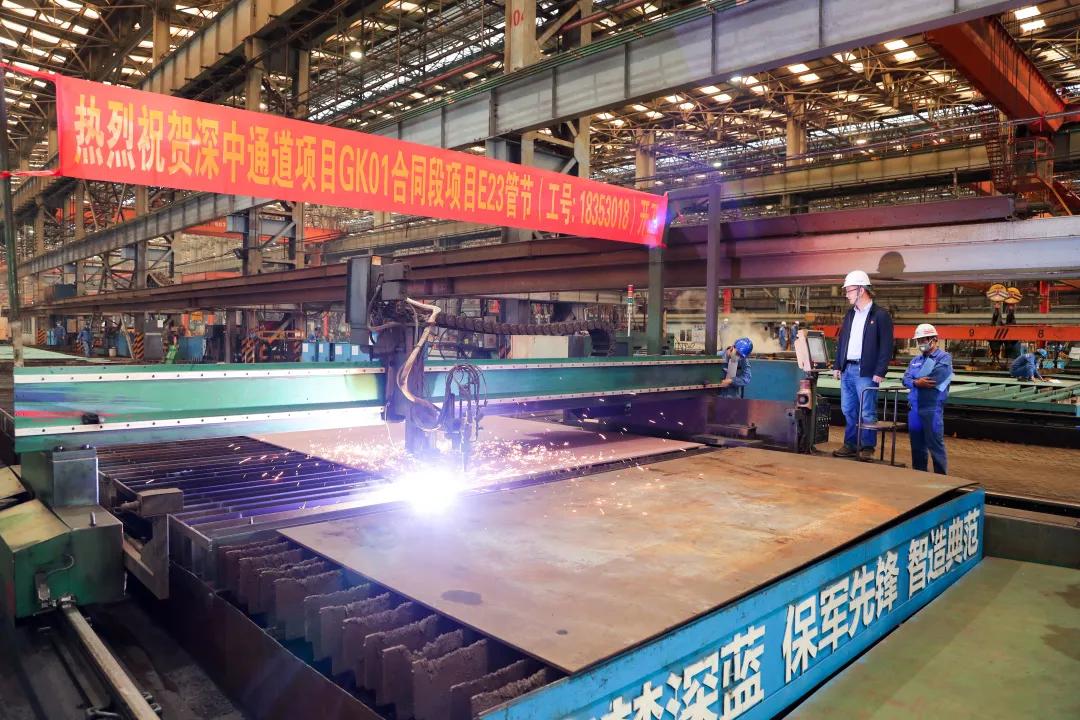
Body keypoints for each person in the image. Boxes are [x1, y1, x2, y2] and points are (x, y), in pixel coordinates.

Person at [832, 270, 894, 459]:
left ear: (861, 290)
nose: (846, 294)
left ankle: (867, 447)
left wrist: (880, 370)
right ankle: (851, 444)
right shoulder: (850, 314)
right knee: (848, 409)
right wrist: (837, 365)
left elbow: (886, 345)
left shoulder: (880, 315)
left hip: (866, 371)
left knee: (867, 411)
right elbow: (843, 341)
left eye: (849, 290)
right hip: (848, 369)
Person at [902, 324, 953, 475]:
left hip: (932, 409)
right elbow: (905, 379)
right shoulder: (915, 360)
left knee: (935, 446)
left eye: (923, 340)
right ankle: (919, 477)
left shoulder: (944, 358)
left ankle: (941, 479)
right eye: (919, 340)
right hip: (914, 408)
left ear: (934, 339)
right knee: (917, 447)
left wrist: (914, 380)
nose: (921, 343)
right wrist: (916, 382)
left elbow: (935, 378)